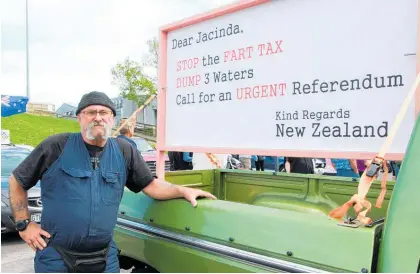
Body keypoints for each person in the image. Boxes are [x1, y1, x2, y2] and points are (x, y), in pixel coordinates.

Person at [8, 91, 216, 273]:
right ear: (79, 118)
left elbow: (151, 185)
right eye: (91, 112)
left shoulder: (124, 151)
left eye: (104, 112)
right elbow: (17, 180)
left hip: (104, 257)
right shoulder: (56, 146)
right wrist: (24, 224)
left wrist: (182, 190)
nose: (98, 117)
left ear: (113, 119)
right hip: (57, 257)